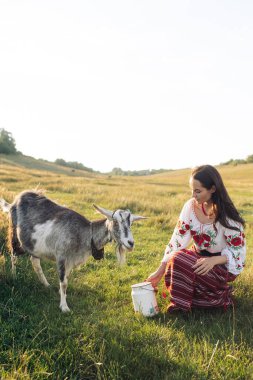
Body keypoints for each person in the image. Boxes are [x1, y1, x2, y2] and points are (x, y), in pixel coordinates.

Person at [146, 164, 246, 313]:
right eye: (192, 190)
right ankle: (198, 300)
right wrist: (159, 272)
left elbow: (238, 253)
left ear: (212, 189)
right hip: (198, 259)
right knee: (175, 258)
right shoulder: (190, 207)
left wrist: (213, 261)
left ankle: (193, 302)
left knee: (179, 259)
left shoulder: (228, 216)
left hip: (219, 266)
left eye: (198, 191)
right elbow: (177, 240)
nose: (194, 195)